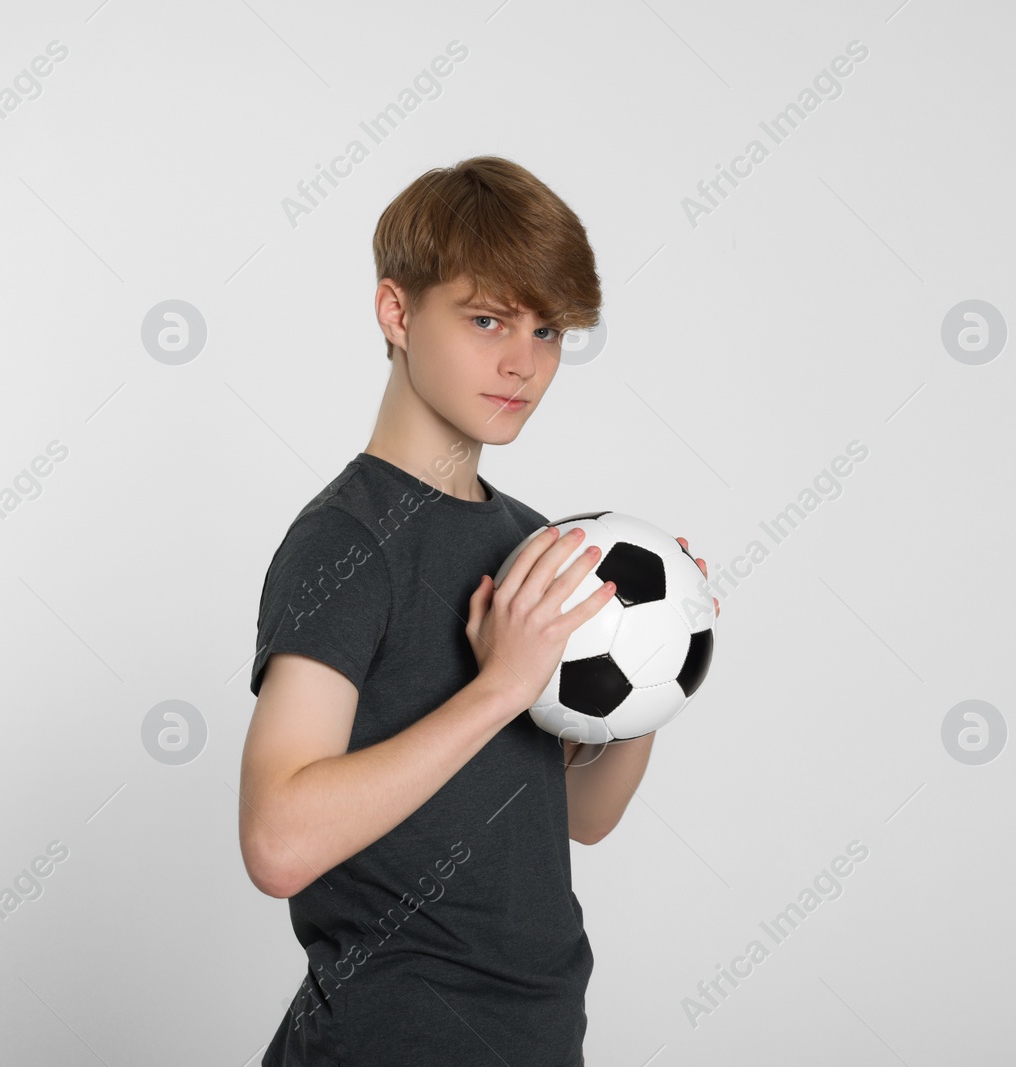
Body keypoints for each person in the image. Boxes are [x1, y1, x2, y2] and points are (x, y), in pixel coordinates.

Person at [238, 155, 717, 1067]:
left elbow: (581, 815)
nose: (522, 363)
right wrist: (501, 685)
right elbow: (278, 840)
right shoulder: (347, 541)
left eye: (548, 331)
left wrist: (656, 662)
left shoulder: (536, 541)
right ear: (396, 311)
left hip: (536, 1032)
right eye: (487, 319)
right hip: (393, 1040)